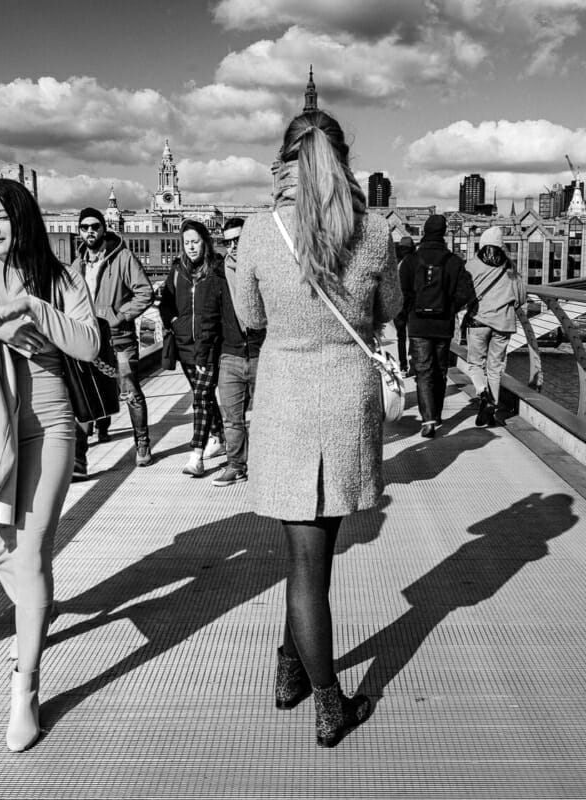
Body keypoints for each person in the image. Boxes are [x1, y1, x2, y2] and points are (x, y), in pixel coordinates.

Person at [234, 109, 402, 747]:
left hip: (285, 401)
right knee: (313, 562)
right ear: (343, 157)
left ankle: (292, 673)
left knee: (306, 562)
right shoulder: (374, 230)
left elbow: (250, 316)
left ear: (284, 159)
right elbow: (388, 307)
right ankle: (326, 697)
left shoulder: (257, 231)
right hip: (344, 401)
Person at [0, 178, 99, 752]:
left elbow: (89, 344)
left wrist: (33, 309)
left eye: (0, 215)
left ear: (22, 216)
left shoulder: (61, 277)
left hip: (50, 424)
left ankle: (24, 686)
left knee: (29, 552)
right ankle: (36, 613)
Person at [69, 207, 154, 475]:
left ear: (104, 228)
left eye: (95, 226)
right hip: (88, 341)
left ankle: (142, 444)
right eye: (85, 227)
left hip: (119, 339)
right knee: (83, 397)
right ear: (79, 231)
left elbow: (145, 292)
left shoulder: (123, 258)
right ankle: (79, 460)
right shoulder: (76, 265)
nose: (90, 231)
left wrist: (118, 316)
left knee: (130, 392)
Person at [195, 217, 266, 487]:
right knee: (232, 418)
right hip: (230, 356)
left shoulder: (265, 271)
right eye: (229, 242)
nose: (234, 246)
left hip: (262, 354)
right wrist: (203, 354)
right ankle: (236, 465)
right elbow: (209, 318)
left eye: (240, 240)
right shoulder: (218, 275)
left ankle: (262, 465)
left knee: (264, 417)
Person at [159, 219, 225, 476]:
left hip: (210, 345)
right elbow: (165, 303)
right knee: (205, 396)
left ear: (205, 242)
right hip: (185, 345)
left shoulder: (217, 270)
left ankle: (196, 455)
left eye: (195, 242)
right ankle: (218, 437)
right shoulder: (177, 270)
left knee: (199, 398)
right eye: (186, 243)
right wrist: (174, 323)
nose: (191, 247)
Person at [399, 214, 474, 438]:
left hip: (419, 324)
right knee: (440, 370)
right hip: (443, 324)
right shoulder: (454, 261)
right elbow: (466, 292)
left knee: (423, 370)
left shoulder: (411, 261)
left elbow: (401, 293)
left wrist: (409, 313)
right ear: (443, 233)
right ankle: (438, 414)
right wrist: (450, 308)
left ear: (425, 231)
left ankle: (428, 419)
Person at [464, 225, 526, 426]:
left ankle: (484, 395)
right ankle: (492, 408)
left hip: (478, 321)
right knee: (495, 368)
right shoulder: (510, 268)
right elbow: (521, 297)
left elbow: (464, 293)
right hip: (504, 323)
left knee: (475, 363)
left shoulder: (472, 266)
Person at [393, 235, 416, 377]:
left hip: (398, 303)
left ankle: (403, 366)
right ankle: (412, 362)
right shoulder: (415, 261)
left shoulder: (395, 261)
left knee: (401, 336)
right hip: (412, 302)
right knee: (413, 335)